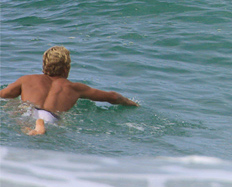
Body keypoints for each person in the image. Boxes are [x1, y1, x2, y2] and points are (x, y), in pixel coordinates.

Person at [0, 46, 138, 135]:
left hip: (29, 112)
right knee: (50, 125)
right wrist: (131, 103)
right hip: (51, 118)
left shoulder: (27, 79)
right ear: (66, 69)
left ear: (44, 66)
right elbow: (112, 97)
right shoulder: (74, 88)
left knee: (15, 108)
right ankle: (40, 125)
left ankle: (34, 127)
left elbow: (4, 95)